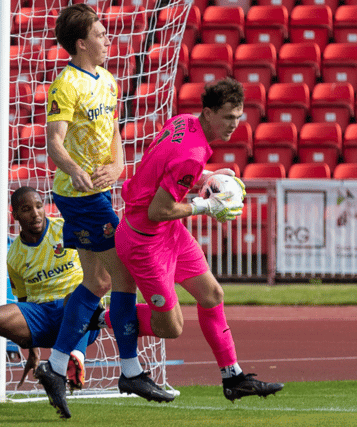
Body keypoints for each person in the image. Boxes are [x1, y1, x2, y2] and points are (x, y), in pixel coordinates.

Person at [35, 4, 175, 420]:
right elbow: (53, 141)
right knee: (123, 275)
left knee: (97, 280)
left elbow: (112, 130)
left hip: (99, 194)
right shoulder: (66, 84)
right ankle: (130, 371)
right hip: (81, 198)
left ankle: (56, 367)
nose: (107, 39)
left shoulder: (109, 81)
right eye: (100, 34)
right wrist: (76, 170)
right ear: (81, 43)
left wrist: (118, 164)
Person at [114, 77, 284, 403]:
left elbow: (163, 162)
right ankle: (99, 319)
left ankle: (232, 377)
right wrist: (207, 206)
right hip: (144, 239)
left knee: (212, 295)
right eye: (228, 117)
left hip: (168, 234)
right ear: (208, 112)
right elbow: (159, 209)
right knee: (171, 327)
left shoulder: (184, 121)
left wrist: (209, 176)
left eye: (238, 117)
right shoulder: (191, 153)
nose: (235, 125)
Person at [0, 186, 101, 409]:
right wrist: (33, 351)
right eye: (26, 209)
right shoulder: (14, 255)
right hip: (43, 316)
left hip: (81, 314)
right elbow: (25, 301)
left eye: (38, 206)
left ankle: (75, 360)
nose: (35, 213)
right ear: (15, 215)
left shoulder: (65, 229)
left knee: (77, 299)